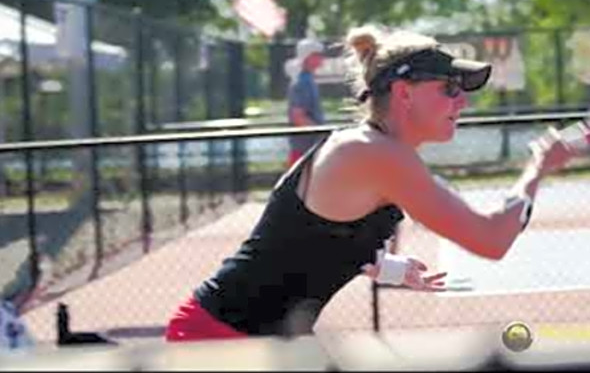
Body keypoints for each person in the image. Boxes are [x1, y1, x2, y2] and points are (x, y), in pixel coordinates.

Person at [165, 26, 575, 342]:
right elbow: (491, 239)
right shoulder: (375, 153)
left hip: (253, 339)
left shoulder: (370, 150)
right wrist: (538, 167)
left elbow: (310, 237)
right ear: (403, 92)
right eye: (449, 88)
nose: (461, 101)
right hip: (220, 338)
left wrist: (387, 267)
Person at [285, 38, 327, 168]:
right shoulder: (303, 82)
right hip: (305, 148)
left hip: (309, 147)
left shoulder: (307, 80)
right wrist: (322, 133)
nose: (321, 58)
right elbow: (298, 117)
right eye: (317, 55)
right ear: (308, 57)